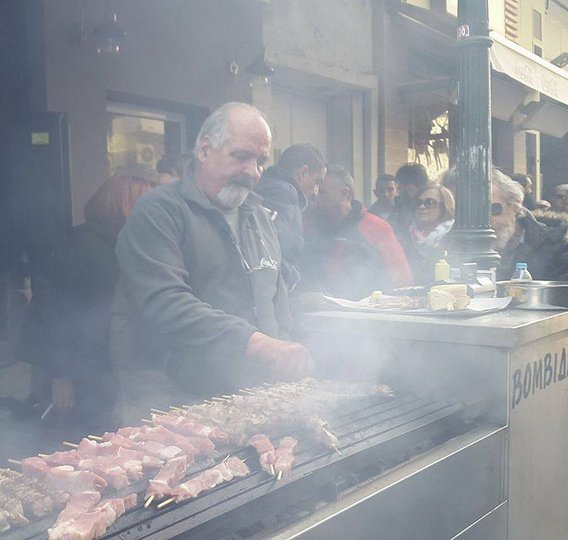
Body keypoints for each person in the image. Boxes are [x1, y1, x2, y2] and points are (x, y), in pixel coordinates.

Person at [116, 102, 311, 399]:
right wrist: (256, 343)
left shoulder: (258, 213)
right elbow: (166, 303)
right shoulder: (160, 210)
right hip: (176, 398)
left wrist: (288, 346)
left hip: (254, 391)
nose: (253, 172)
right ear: (204, 150)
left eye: (260, 161)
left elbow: (274, 294)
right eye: (241, 157)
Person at [21, 175, 153, 437]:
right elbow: (51, 313)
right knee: (79, 441)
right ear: (124, 205)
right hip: (77, 371)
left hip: (104, 367)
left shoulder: (122, 244)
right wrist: (60, 376)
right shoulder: (78, 245)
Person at [300, 166, 413, 300]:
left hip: (364, 316)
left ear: (344, 194)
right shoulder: (309, 226)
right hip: (317, 315)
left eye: (322, 192)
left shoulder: (376, 229)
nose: (316, 196)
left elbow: (402, 282)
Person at [490, 170, 568, 282]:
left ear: (515, 206)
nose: (486, 222)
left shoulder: (557, 247)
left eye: (493, 209)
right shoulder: (466, 247)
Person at [253, 143, 327, 288]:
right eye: (317, 181)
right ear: (303, 173)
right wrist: (293, 280)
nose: (316, 191)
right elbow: (266, 249)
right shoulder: (284, 194)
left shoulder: (265, 188)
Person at [403, 182, 455, 284]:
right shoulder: (406, 235)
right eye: (418, 202)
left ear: (444, 206)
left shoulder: (454, 236)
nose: (422, 207)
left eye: (430, 202)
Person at [390, 163, 430, 244]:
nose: (398, 192)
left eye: (399, 188)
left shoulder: (426, 213)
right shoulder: (398, 209)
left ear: (409, 188)